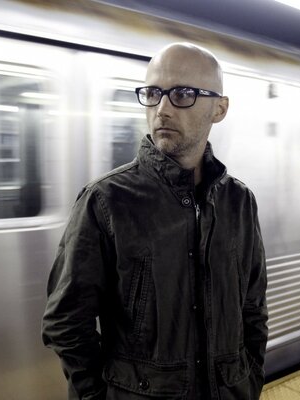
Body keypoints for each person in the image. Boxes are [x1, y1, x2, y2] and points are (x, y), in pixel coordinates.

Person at [42, 42, 267, 400]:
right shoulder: (106, 201)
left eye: (182, 94)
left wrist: (249, 380)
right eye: (153, 93)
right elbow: (66, 323)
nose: (162, 109)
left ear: (219, 109)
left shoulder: (239, 202)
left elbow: (252, 309)